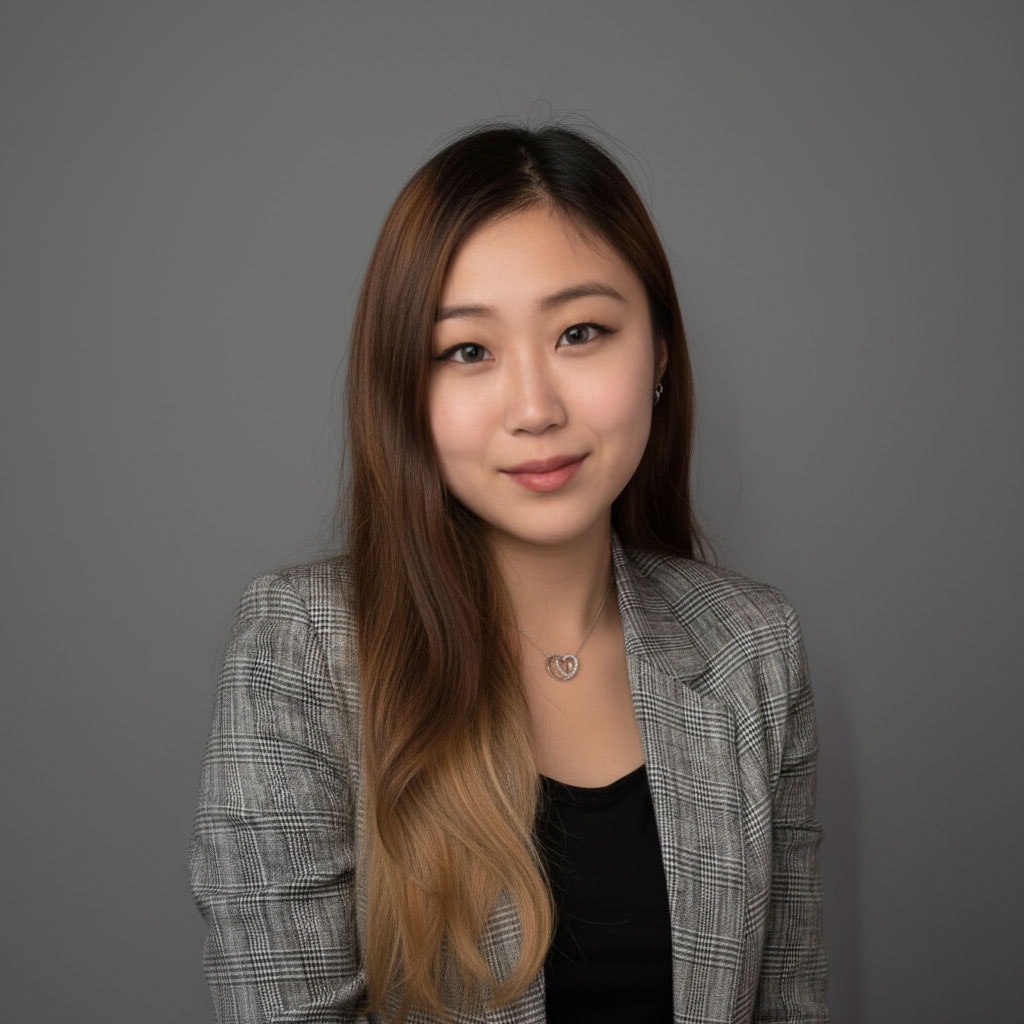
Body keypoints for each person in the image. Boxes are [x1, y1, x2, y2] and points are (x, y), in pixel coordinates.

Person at [190, 123, 829, 1024]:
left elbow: (788, 1007)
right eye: (468, 351)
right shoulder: (301, 651)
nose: (535, 408)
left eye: (581, 332)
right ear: (405, 391)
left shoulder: (752, 646)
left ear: (658, 354)